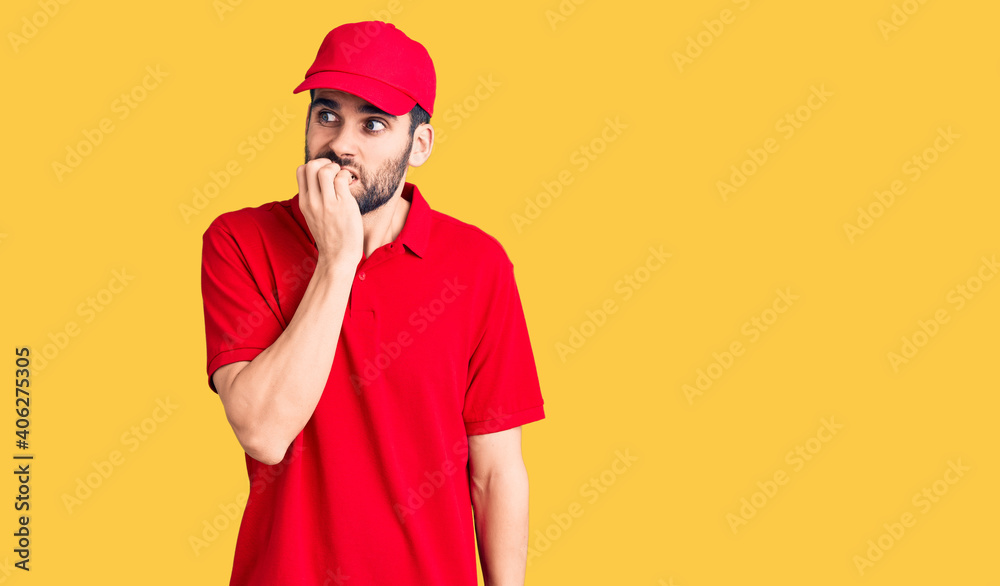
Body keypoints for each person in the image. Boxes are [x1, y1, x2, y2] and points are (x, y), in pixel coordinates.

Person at [199, 20, 546, 585]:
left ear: (420, 145)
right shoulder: (240, 241)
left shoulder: (477, 265)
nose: (341, 144)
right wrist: (338, 261)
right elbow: (263, 432)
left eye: (374, 124)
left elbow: (496, 472)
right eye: (327, 113)